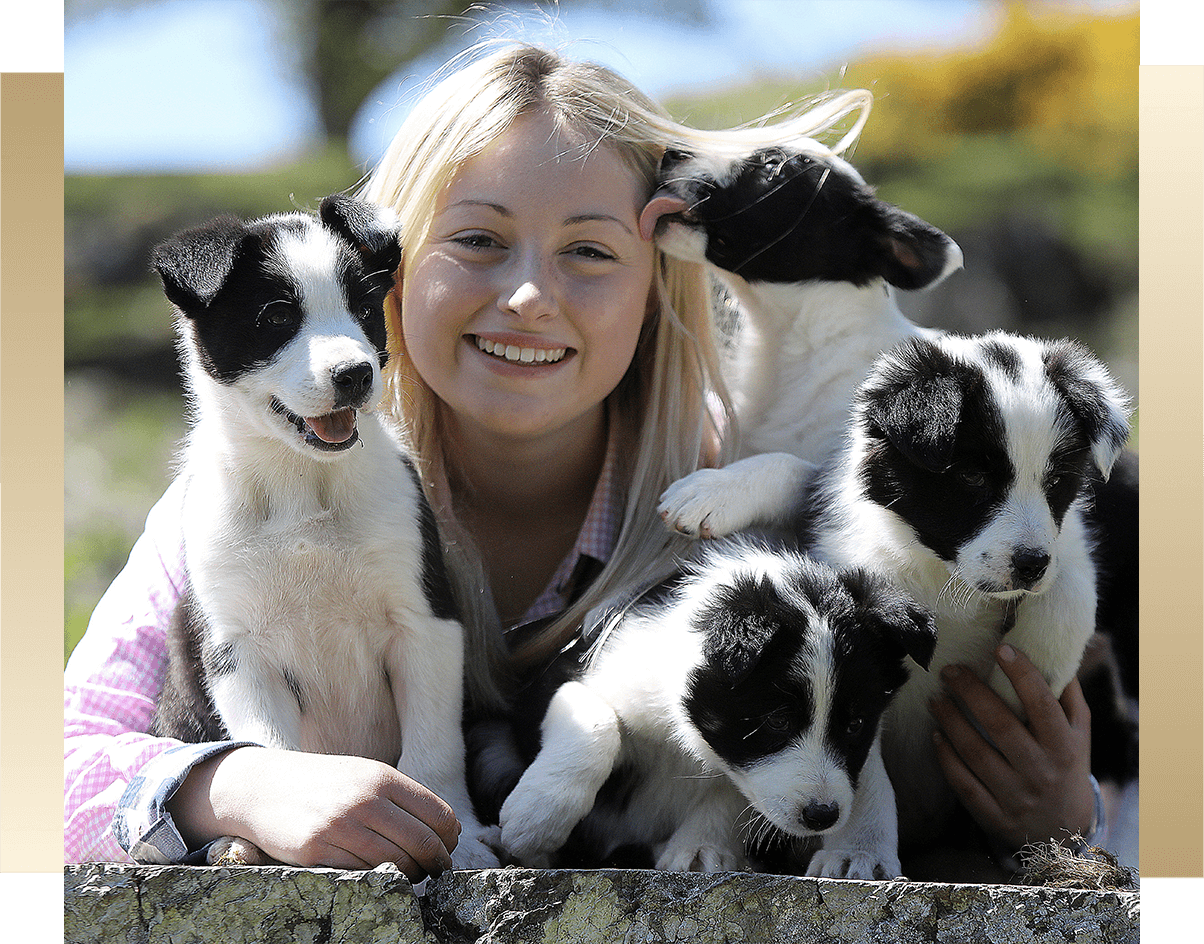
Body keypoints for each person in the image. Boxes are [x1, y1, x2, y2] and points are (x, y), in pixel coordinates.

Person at [64, 41, 1101, 882]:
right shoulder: (249, 484)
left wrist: (1060, 812)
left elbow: (871, 737)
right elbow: (51, 765)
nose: (528, 295)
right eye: (475, 240)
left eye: (590, 252)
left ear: (660, 276)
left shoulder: (733, 487)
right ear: (382, 268)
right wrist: (231, 787)